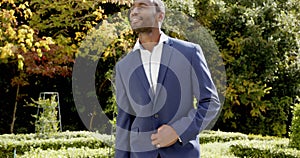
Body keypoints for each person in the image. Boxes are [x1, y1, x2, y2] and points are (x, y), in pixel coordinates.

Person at [114, 0, 221, 157]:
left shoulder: (189, 53)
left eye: (142, 6)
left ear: (160, 16)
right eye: (132, 7)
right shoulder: (123, 66)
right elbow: (124, 122)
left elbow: (210, 102)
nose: (134, 11)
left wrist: (178, 131)